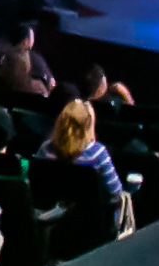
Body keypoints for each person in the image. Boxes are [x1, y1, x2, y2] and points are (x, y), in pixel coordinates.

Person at [50, 96, 134, 240]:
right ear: (89, 123)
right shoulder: (98, 153)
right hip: (95, 226)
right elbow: (116, 193)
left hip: (58, 223)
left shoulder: (46, 150)